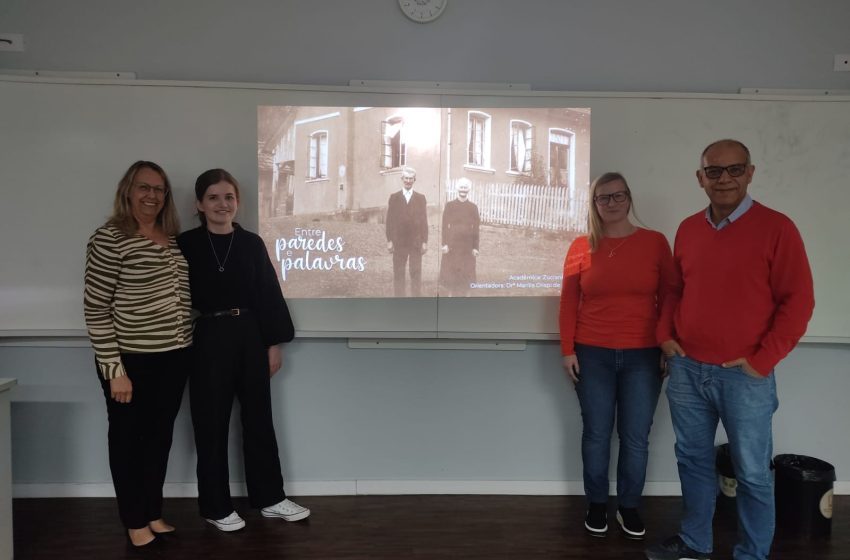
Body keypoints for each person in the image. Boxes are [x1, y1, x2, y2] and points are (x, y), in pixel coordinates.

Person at [646, 140, 815, 560]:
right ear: (700, 178)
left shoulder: (778, 228)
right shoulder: (687, 229)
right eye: (715, 172)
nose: (725, 179)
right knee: (692, 461)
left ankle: (751, 554)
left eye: (735, 170)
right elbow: (673, 290)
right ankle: (695, 543)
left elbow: (799, 301)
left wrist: (762, 362)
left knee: (754, 474)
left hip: (744, 376)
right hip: (687, 369)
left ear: (751, 173)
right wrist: (664, 335)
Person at [177, 168, 309, 532]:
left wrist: (272, 343)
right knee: (210, 423)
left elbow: (267, 294)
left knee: (259, 420)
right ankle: (215, 506)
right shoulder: (184, 244)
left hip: (251, 334)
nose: (223, 204)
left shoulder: (251, 243)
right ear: (199, 204)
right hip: (208, 336)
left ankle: (270, 498)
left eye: (229, 197)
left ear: (238, 202)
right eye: (214, 198)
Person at [559, 172, 677, 540]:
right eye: (603, 198)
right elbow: (567, 302)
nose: (611, 203)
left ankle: (628, 507)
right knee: (595, 433)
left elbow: (672, 297)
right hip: (591, 353)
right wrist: (567, 350)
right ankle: (596, 503)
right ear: (594, 204)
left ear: (629, 198)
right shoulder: (580, 246)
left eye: (618, 196)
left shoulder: (656, 243)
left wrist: (666, 342)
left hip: (644, 355)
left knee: (636, 436)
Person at [84, 161, 193, 548]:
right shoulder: (109, 238)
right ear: (128, 190)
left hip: (174, 357)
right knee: (129, 440)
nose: (152, 196)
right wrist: (114, 370)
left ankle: (151, 511)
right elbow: (96, 310)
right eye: (144, 187)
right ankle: (133, 519)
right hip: (131, 361)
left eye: (159, 189)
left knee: (159, 439)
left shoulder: (171, 238)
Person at [386, 166, 428, 296]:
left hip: (416, 242)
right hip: (399, 242)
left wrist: (424, 241)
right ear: (402, 179)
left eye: (411, 178)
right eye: (406, 178)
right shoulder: (394, 198)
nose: (408, 181)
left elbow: (424, 222)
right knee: (399, 273)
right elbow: (389, 221)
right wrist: (389, 240)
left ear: (414, 180)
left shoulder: (421, 198)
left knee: (415, 272)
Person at [439, 177, 480, 296]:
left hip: (467, 246)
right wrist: (445, 244)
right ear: (457, 189)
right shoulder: (450, 206)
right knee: (451, 272)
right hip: (452, 244)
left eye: (465, 187)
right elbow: (444, 227)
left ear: (469, 190)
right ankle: (450, 297)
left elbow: (476, 229)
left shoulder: (473, 207)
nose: (463, 190)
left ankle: (467, 298)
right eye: (461, 187)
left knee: (468, 272)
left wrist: (475, 247)